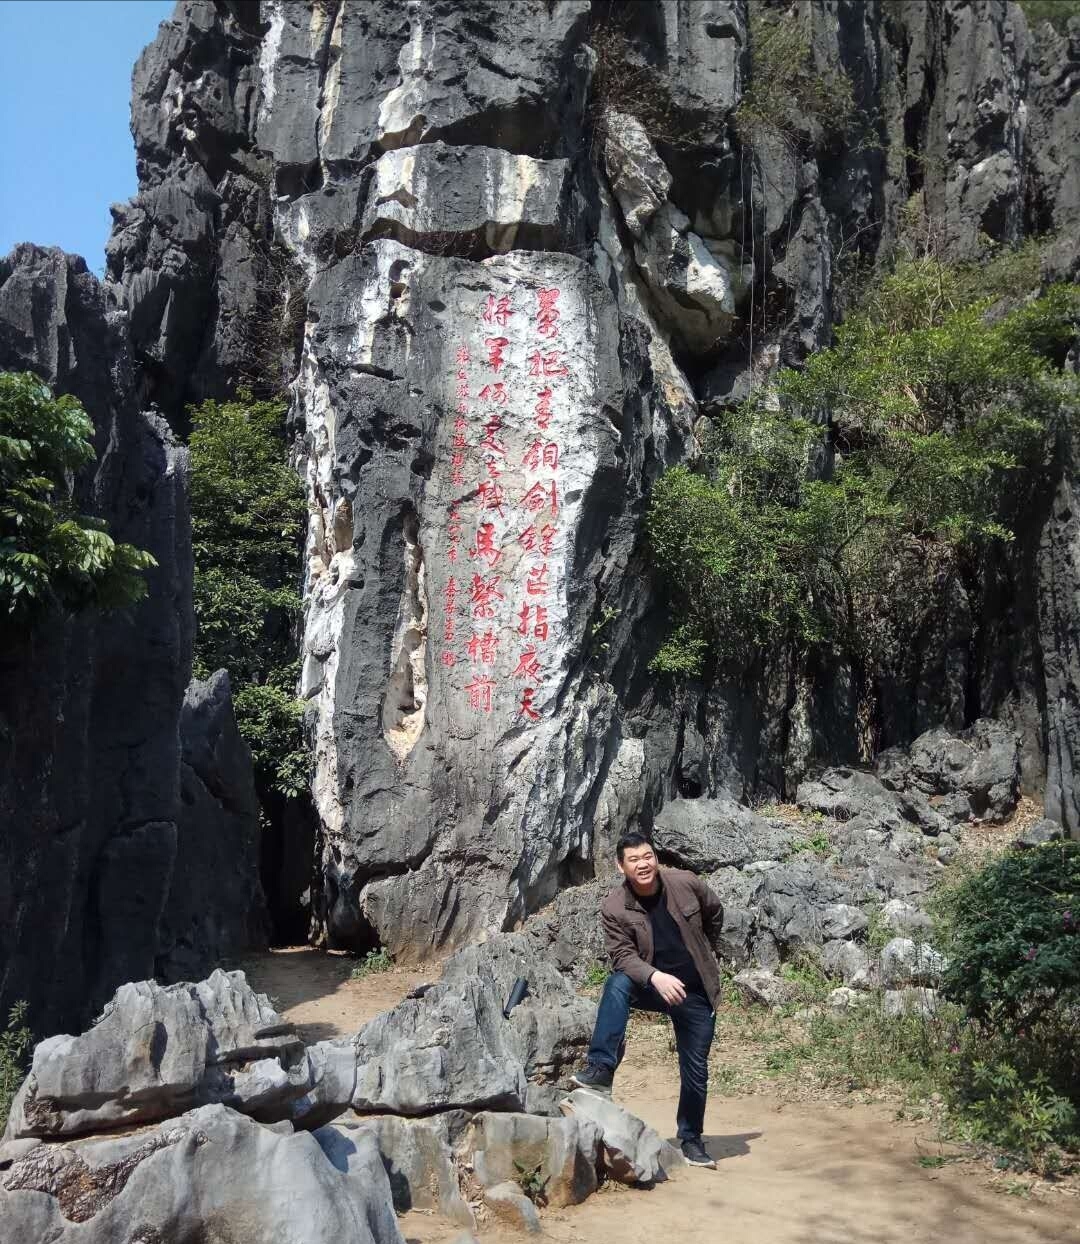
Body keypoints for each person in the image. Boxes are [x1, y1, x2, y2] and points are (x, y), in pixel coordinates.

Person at [572, 831, 724, 1169]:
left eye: (647, 856)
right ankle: (601, 1068)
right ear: (620, 866)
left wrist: (705, 954)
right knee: (617, 984)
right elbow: (622, 955)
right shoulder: (614, 906)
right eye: (634, 859)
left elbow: (715, 912)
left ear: (655, 857)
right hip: (652, 986)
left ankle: (691, 1139)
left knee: (695, 1069)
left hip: (695, 991)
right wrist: (656, 976)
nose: (643, 864)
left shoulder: (686, 883)